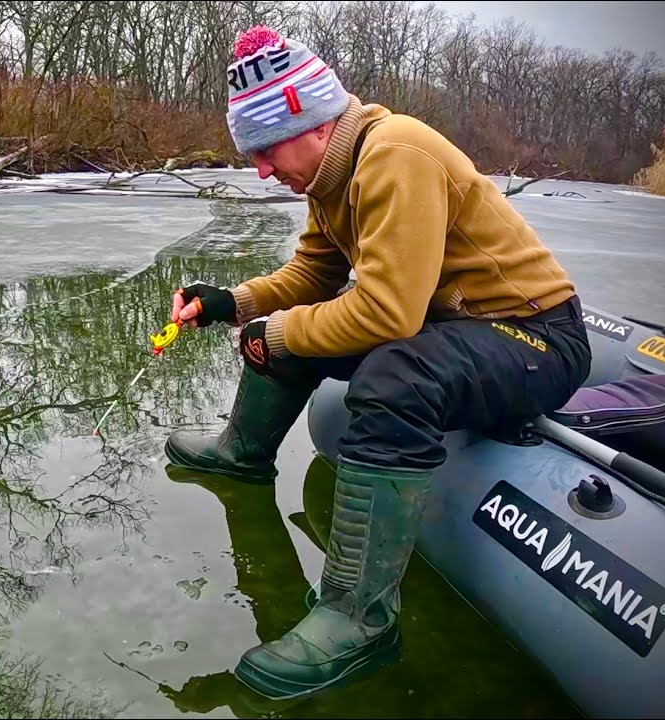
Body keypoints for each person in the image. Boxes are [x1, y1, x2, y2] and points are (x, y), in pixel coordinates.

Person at [166, 26, 593, 700]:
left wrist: (277, 335)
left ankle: (360, 617)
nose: (261, 170)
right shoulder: (331, 175)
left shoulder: (396, 155)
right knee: (297, 328)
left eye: (264, 150)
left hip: (533, 336)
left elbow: (390, 315)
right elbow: (314, 272)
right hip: (449, 321)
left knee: (391, 374)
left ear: (308, 123)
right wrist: (229, 304)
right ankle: (242, 450)